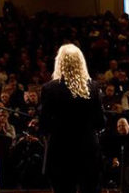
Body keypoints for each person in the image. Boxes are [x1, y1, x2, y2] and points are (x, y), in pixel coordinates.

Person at [39, 43, 105, 193]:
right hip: (87, 151)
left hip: (60, 151)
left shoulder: (49, 89)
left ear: (59, 63)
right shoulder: (93, 88)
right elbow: (100, 122)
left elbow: (44, 125)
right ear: (81, 63)